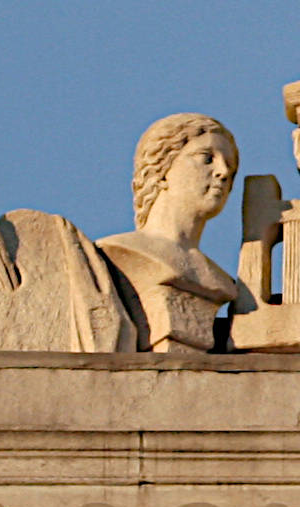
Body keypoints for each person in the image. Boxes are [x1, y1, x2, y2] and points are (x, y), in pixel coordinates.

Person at [97, 113, 252, 352]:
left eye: (229, 166)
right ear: (161, 171)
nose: (223, 172)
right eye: (207, 158)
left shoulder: (221, 280)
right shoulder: (115, 253)